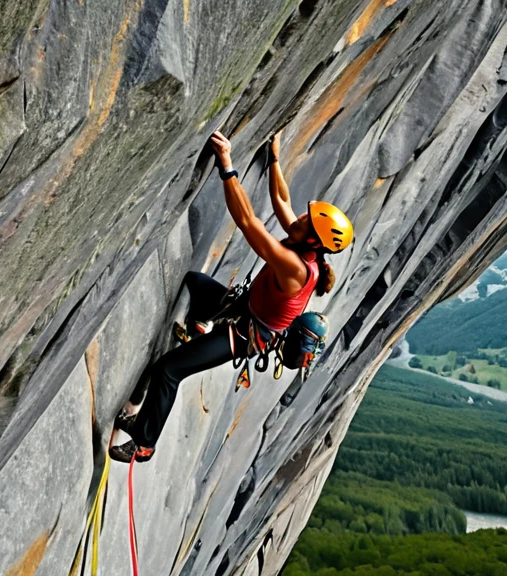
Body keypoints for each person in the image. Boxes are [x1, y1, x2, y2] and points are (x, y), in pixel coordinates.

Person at [109, 131, 354, 463]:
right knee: (196, 282)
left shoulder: (297, 268)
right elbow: (282, 201)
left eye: (306, 221)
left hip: (244, 335)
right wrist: (276, 158)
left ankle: (144, 444)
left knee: (169, 370)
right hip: (241, 309)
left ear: (313, 241)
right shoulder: (303, 242)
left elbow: (247, 221)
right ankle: (201, 325)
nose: (299, 218)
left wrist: (227, 164)